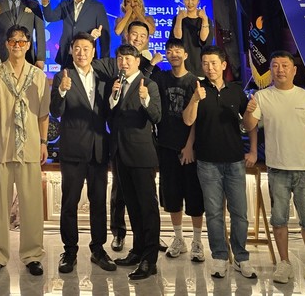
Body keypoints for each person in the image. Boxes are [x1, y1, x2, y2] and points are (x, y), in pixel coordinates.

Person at [242, 51, 305, 287]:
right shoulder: (262, 96)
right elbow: (249, 126)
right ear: (270, 70)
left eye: (284, 65)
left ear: (294, 70)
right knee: (279, 219)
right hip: (277, 169)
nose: (280, 70)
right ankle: (284, 262)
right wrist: (249, 110)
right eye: (275, 66)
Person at [0, 26, 50, 277]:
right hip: (2, 145)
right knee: (0, 205)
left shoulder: (38, 76)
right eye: (13, 41)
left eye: (22, 42)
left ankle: (32, 255)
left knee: (31, 205)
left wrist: (43, 142)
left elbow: (43, 113)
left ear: (28, 45)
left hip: (30, 146)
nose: (17, 46)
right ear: (7, 45)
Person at [187, 46, 257, 279]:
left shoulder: (236, 91)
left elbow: (249, 125)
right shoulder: (197, 88)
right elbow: (188, 121)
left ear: (224, 65)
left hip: (235, 161)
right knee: (214, 213)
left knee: (240, 213)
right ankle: (219, 256)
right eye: (205, 63)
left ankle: (241, 257)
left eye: (214, 63)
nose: (210, 68)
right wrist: (195, 100)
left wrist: (253, 149)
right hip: (207, 162)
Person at [50, 32, 116, 274]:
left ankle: (98, 249)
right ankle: (69, 251)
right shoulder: (63, 76)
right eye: (77, 48)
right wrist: (62, 91)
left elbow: (108, 111)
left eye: (86, 48)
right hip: (73, 149)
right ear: (71, 50)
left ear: (93, 51)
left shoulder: (103, 78)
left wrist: (115, 96)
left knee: (99, 202)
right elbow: (56, 111)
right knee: (70, 202)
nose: (81, 53)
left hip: (98, 149)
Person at [107, 44, 162, 280]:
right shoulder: (116, 84)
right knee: (132, 206)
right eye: (120, 58)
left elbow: (157, 116)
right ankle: (138, 251)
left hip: (141, 155)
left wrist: (145, 99)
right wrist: (112, 98)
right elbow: (111, 119)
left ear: (138, 61)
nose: (124, 62)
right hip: (120, 154)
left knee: (147, 208)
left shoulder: (148, 84)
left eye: (129, 58)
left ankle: (150, 259)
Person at [153, 37, 206, 262]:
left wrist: (189, 146)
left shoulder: (194, 81)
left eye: (178, 50)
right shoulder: (162, 78)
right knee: (172, 196)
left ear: (185, 55)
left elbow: (196, 120)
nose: (173, 54)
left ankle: (197, 241)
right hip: (166, 146)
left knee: (194, 197)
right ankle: (178, 239)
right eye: (170, 50)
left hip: (189, 149)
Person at [43, 0, 109, 67]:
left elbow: (105, 38)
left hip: (86, 56)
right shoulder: (65, 4)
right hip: (67, 55)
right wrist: (45, 5)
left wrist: (104, 63)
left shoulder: (97, 7)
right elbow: (50, 17)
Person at [172, 0, 213, 77]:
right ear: (183, 0)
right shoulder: (178, 18)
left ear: (198, 0)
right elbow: (177, 38)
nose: (190, 3)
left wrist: (204, 19)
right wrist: (179, 19)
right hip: (182, 65)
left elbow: (203, 39)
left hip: (199, 64)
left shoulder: (205, 19)